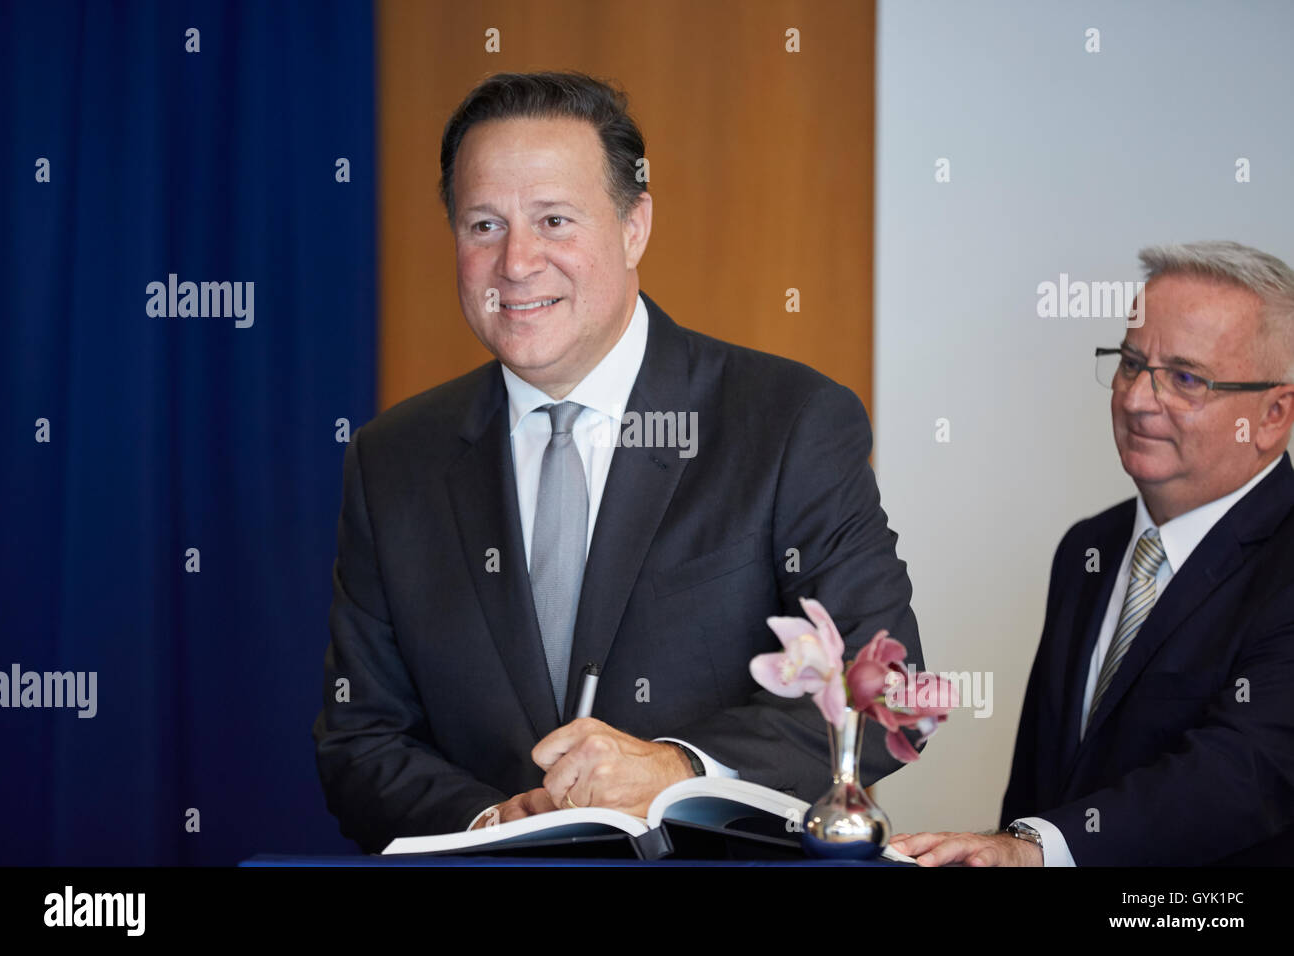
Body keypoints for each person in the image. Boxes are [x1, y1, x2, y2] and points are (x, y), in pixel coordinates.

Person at [311, 71, 923, 853]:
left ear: (635, 227)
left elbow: (886, 693)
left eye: (555, 220)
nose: (517, 263)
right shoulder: (391, 459)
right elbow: (360, 740)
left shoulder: (786, 422)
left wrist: (678, 770)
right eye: (484, 226)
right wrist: (491, 824)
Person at [891, 240, 1294, 866]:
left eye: (1185, 379)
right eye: (1132, 364)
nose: (1135, 399)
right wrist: (1008, 850)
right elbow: (1039, 782)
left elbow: (1240, 775)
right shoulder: (1091, 548)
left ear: (1273, 415)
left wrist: (1037, 851)